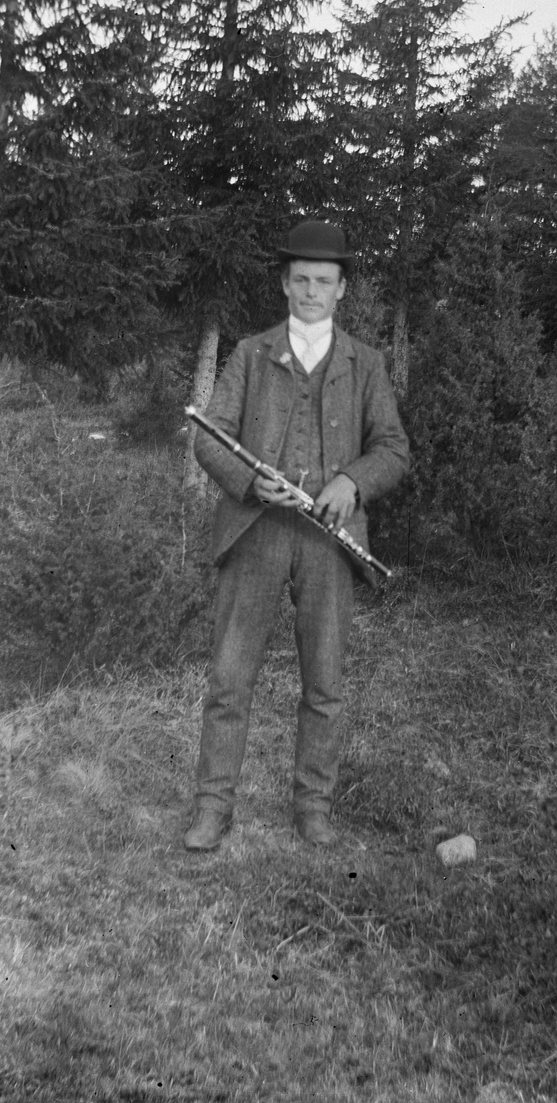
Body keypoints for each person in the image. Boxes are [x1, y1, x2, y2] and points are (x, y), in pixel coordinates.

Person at [184, 220, 410, 851]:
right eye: (302, 280)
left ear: (342, 289)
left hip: (330, 540)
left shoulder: (367, 364)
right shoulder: (251, 353)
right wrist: (251, 482)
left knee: (325, 684)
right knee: (230, 680)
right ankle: (212, 810)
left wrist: (352, 483)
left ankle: (314, 808)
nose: (312, 291)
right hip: (255, 532)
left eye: (324, 281)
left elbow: (393, 449)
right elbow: (209, 437)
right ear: (285, 285)